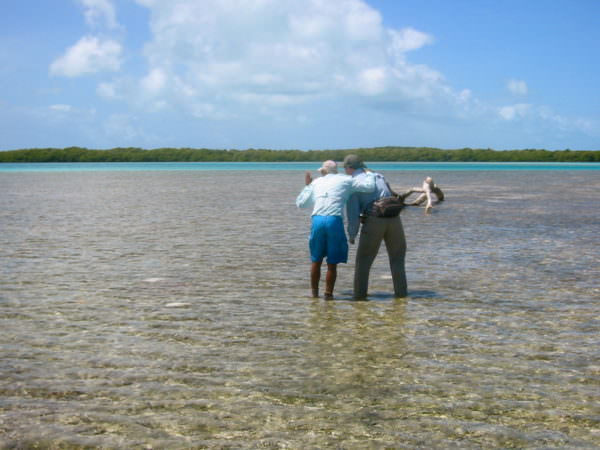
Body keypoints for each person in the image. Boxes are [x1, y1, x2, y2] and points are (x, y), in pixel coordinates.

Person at [296, 160, 375, 300]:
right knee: (332, 263)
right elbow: (369, 187)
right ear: (336, 170)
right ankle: (328, 295)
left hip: (317, 219)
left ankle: (314, 295)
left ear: (323, 171)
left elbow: (301, 204)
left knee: (316, 260)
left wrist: (308, 186)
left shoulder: (317, 182)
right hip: (334, 220)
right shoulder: (346, 180)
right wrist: (369, 174)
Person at [344, 154, 407, 300]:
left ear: (349, 168)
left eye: (345, 168)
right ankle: (401, 296)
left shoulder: (353, 183)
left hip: (374, 220)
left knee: (363, 261)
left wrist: (352, 234)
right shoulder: (378, 175)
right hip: (394, 218)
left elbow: (352, 213)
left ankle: (359, 297)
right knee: (397, 259)